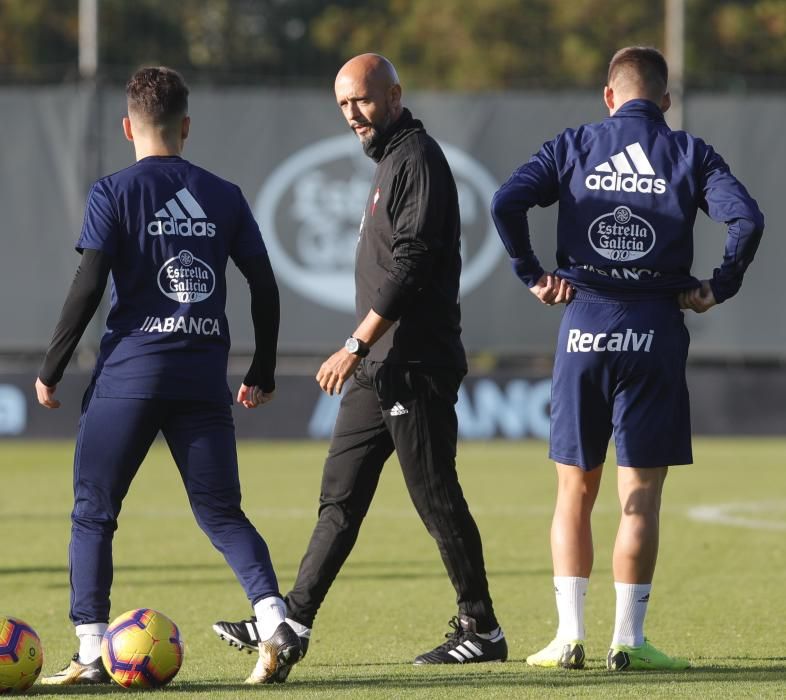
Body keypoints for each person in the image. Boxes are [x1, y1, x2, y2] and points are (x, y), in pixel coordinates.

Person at [212, 53, 507, 671]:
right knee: (339, 498)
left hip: (412, 362)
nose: (353, 114)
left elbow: (413, 264)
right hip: (381, 367)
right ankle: (292, 622)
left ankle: (481, 629)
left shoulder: (418, 157)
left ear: (395, 94)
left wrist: (356, 343)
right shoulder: (389, 162)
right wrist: (366, 351)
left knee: (435, 496)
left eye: (363, 100)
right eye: (343, 104)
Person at [491, 46, 763, 671]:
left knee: (573, 492)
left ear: (609, 96)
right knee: (639, 493)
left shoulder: (574, 144)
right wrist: (718, 286)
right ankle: (629, 643)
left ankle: (568, 638)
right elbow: (747, 220)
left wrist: (533, 274)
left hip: (582, 327)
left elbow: (506, 201)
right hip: (655, 331)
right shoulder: (690, 152)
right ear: (665, 102)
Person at [35, 66, 301, 686]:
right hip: (202, 378)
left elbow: (88, 284)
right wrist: (262, 367)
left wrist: (52, 367)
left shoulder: (112, 192)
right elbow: (263, 284)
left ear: (128, 126)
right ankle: (272, 617)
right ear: (186, 126)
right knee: (222, 514)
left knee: (94, 513)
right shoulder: (224, 194)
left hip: (128, 376)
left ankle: (93, 651)